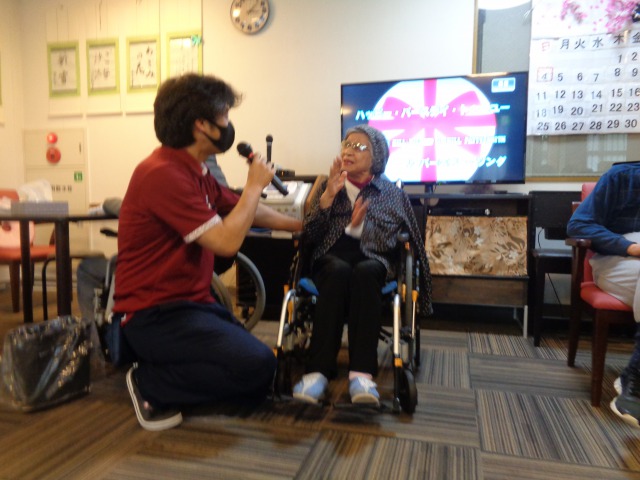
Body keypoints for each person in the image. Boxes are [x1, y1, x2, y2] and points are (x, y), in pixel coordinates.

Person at [111, 73, 302, 431]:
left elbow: (242, 209)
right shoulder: (162, 174)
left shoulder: (195, 170)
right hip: (154, 314)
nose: (229, 125)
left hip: (192, 303)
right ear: (202, 125)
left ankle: (171, 370)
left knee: (259, 373)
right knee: (257, 366)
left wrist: (300, 224)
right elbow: (226, 241)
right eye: (224, 116)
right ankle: (150, 383)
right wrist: (254, 186)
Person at [292, 124, 432, 406]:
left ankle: (361, 375)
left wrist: (359, 229)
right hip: (331, 258)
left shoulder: (391, 193)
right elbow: (310, 235)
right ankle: (317, 372)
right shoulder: (328, 184)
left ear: (376, 156)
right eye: (347, 144)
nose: (349, 151)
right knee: (338, 271)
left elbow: (405, 241)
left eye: (358, 147)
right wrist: (327, 198)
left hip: (373, 259)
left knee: (366, 272)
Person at [566, 160, 640, 427]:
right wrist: (630, 247)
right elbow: (579, 226)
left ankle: (634, 377)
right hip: (618, 260)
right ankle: (635, 381)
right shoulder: (623, 177)